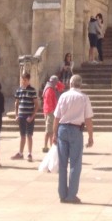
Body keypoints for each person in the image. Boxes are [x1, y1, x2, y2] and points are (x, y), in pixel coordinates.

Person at [52, 73, 94, 205]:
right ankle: (71, 195)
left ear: (70, 84)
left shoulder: (63, 96)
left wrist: (54, 133)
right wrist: (90, 136)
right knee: (75, 164)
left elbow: (57, 117)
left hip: (62, 129)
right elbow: (88, 118)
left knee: (63, 163)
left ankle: (62, 193)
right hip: (76, 130)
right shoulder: (84, 98)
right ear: (80, 84)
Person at [11, 71, 37, 161]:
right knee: (22, 135)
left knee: (29, 135)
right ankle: (20, 153)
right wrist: (16, 114)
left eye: (25, 80)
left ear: (28, 80)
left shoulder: (32, 90)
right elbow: (16, 103)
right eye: (22, 80)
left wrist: (32, 116)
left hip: (29, 115)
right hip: (21, 115)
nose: (23, 82)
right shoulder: (19, 90)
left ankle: (29, 154)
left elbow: (37, 105)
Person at [41, 75, 60, 154]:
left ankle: (51, 145)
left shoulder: (50, 88)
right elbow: (49, 102)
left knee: (51, 130)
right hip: (50, 111)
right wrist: (53, 111)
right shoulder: (49, 89)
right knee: (49, 130)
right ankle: (46, 146)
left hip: (50, 111)